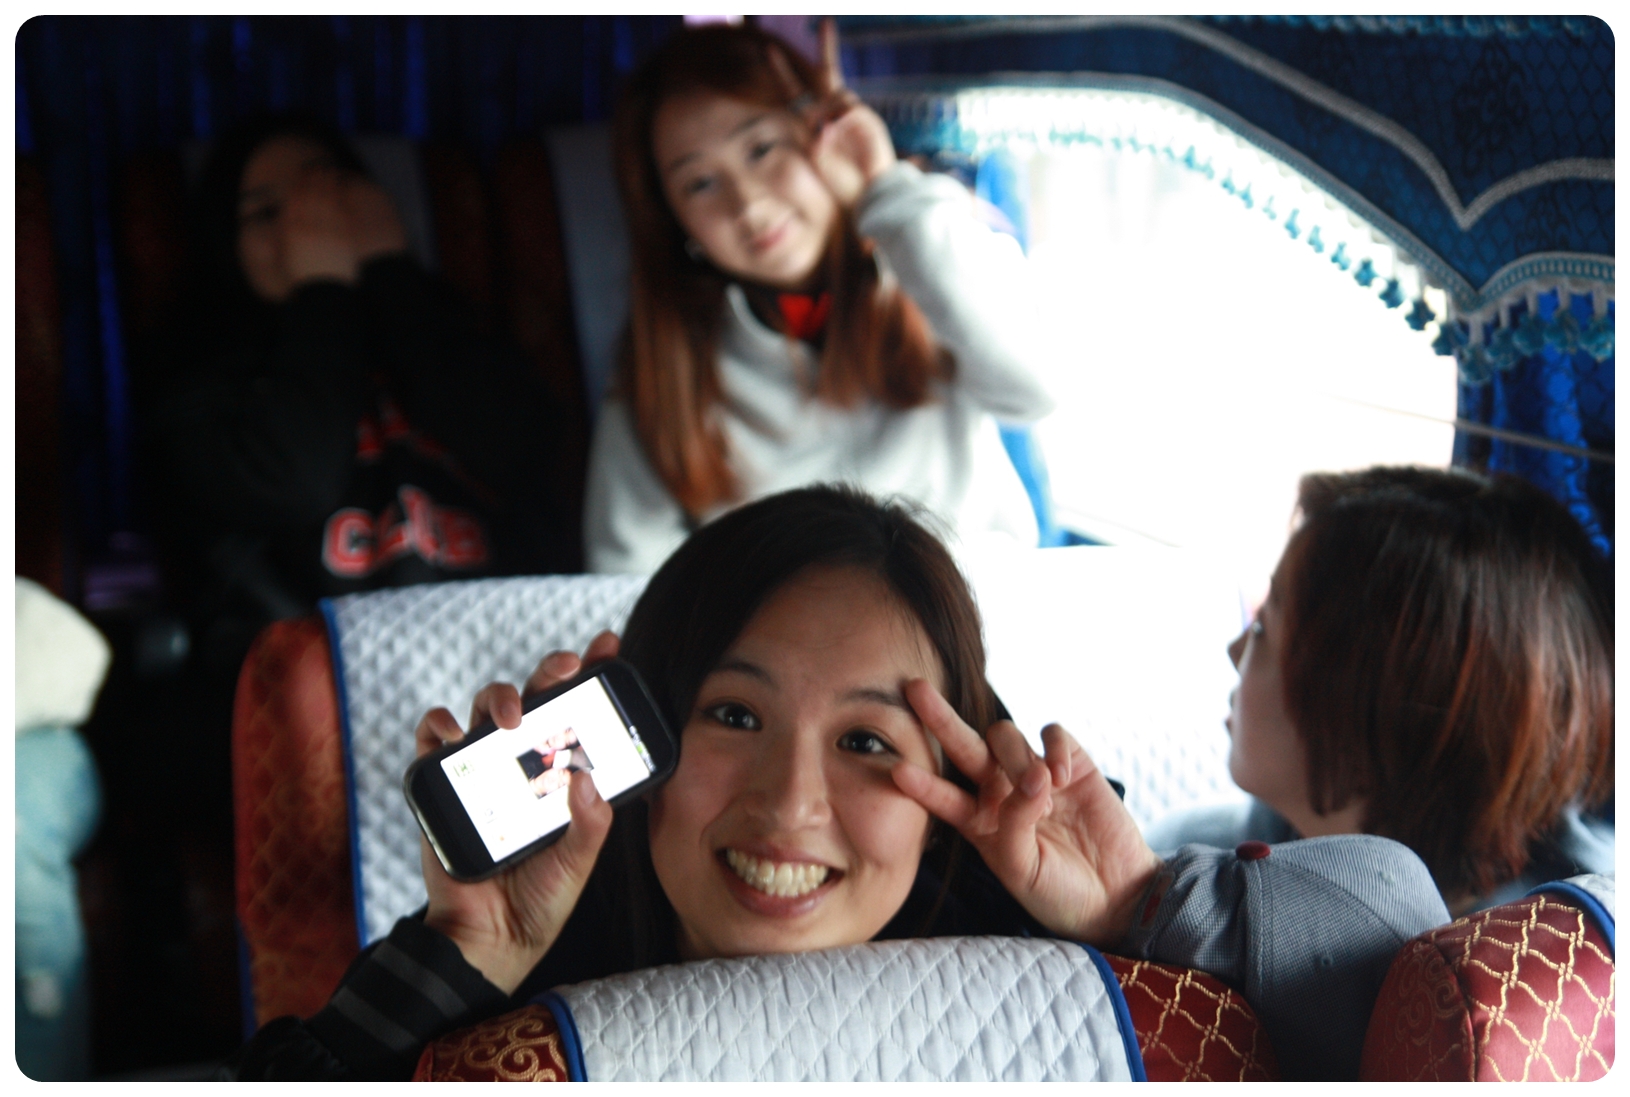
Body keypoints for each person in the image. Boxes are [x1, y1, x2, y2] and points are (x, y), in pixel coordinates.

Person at [227, 485, 1448, 1081]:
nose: (789, 802)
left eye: (867, 740)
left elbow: (1414, 972)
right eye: (732, 714)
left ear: (944, 778)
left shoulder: (1051, 954)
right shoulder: (513, 980)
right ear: (644, 750)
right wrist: (464, 956)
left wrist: (1139, 900)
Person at [583, 21, 1057, 573]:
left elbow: (1034, 389)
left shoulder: (929, 255)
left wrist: (881, 186)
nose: (748, 204)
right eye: (700, 184)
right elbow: (623, 572)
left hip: (969, 603)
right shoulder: (666, 367)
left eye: (762, 149)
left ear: (817, 132)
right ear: (674, 221)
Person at [141, 112, 581, 681]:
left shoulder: (445, 328)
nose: (308, 224)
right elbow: (296, 483)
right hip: (315, 676)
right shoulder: (196, 377)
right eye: (266, 213)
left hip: (501, 650)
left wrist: (388, 273)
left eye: (329, 193)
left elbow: (521, 451)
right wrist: (322, 291)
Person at [1145, 466, 1615, 915]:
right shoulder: (1182, 858)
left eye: (1264, 630)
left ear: (1362, 715)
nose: (1234, 650)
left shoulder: (1526, 959)